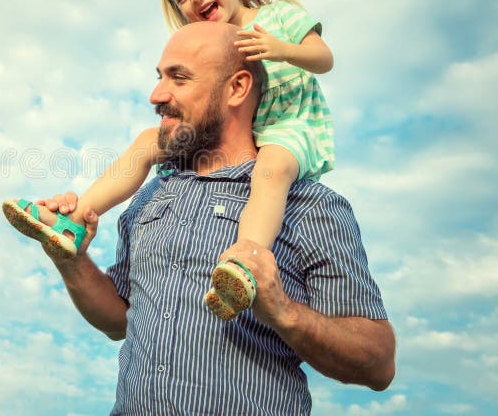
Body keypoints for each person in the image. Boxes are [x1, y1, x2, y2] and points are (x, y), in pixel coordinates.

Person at [26, 22, 395, 414]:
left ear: (237, 88)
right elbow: (119, 320)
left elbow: (378, 364)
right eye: (159, 77)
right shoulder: (150, 196)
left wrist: (283, 311)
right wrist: (70, 259)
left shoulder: (309, 206)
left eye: (179, 78)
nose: (156, 95)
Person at [3, 0, 335, 321]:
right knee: (148, 141)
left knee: (271, 169)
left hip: (285, 126)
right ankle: (75, 222)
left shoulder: (277, 18)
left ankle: (246, 260)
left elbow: (323, 58)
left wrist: (283, 49)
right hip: (240, 136)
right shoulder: (209, 42)